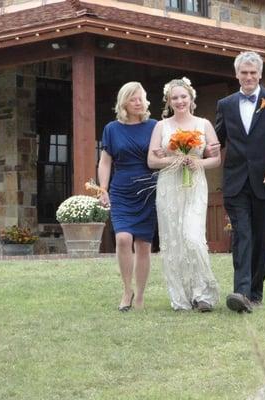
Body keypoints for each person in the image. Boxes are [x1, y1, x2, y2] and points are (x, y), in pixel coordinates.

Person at [215, 51, 265, 313]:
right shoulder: (225, 104)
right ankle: (241, 293)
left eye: (252, 72)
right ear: (236, 74)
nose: (248, 77)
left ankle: (256, 292)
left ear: (260, 74)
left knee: (261, 239)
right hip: (235, 183)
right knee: (242, 236)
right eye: (243, 72)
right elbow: (217, 140)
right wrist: (189, 148)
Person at [148, 77, 221, 312]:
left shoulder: (203, 124)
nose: (180, 101)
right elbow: (151, 160)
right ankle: (180, 298)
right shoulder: (161, 126)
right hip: (169, 186)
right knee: (173, 241)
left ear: (191, 98)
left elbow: (215, 158)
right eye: (175, 98)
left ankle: (204, 294)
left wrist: (197, 163)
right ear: (168, 101)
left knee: (193, 237)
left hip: (195, 185)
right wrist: (173, 159)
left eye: (183, 96)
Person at [98, 82, 157, 312]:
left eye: (141, 98)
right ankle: (126, 290)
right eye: (134, 99)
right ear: (124, 103)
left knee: (143, 244)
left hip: (147, 190)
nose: (139, 102)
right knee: (123, 238)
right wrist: (103, 188)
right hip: (121, 190)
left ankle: (140, 295)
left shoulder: (155, 126)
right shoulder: (112, 129)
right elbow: (105, 161)